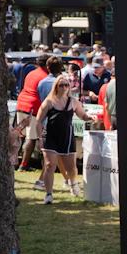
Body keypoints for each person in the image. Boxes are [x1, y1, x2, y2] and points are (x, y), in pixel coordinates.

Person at [34, 73, 91, 204]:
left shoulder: (73, 102)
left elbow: (83, 116)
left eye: (66, 85)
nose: (64, 87)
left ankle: (73, 183)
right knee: (49, 165)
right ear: (56, 87)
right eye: (61, 85)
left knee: (71, 168)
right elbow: (38, 121)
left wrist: (90, 117)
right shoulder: (49, 101)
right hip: (50, 137)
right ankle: (49, 194)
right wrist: (39, 138)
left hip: (67, 137)